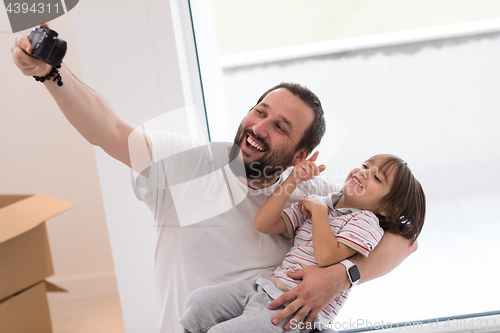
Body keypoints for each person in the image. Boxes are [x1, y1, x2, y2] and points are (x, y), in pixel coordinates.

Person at [11, 24, 419, 333]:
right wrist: (51, 73)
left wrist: (340, 277)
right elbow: (110, 132)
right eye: (260, 111)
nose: (259, 127)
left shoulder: (319, 194)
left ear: (300, 155)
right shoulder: (192, 163)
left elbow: (406, 238)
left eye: (280, 126)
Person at [179, 153, 425, 332]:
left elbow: (328, 258)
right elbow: (264, 224)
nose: (362, 173)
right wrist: (293, 181)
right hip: (265, 288)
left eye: (376, 178)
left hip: (297, 312)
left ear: (387, 208)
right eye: (365, 166)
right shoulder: (322, 202)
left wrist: (318, 211)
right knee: (198, 302)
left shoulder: (366, 222)